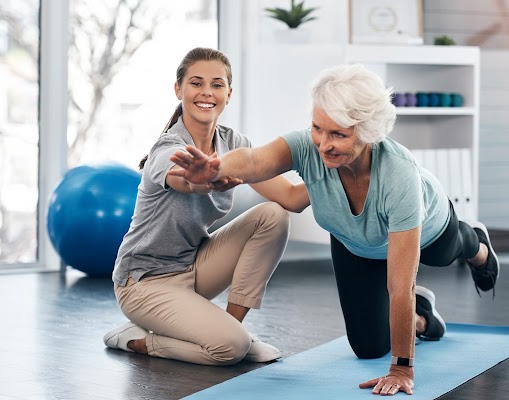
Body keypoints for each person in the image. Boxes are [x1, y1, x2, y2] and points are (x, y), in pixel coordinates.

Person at [169, 63, 500, 395]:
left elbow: (400, 286)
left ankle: (477, 244)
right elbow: (256, 161)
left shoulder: (399, 176)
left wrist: (401, 368)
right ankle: (422, 316)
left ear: (369, 131)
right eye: (317, 128)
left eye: (339, 134)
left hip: (430, 229)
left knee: (448, 251)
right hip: (355, 243)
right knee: (369, 347)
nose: (323, 144)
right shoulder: (308, 148)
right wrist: (215, 169)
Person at [103, 47, 310, 366]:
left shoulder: (235, 144)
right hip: (143, 283)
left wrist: (337, 167)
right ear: (178, 90)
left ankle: (232, 327)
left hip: (193, 267)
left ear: (228, 93)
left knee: (273, 215)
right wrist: (202, 179)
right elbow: (186, 181)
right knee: (228, 350)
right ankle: (137, 340)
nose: (206, 93)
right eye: (196, 83)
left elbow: (292, 199)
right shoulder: (168, 148)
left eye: (216, 84)